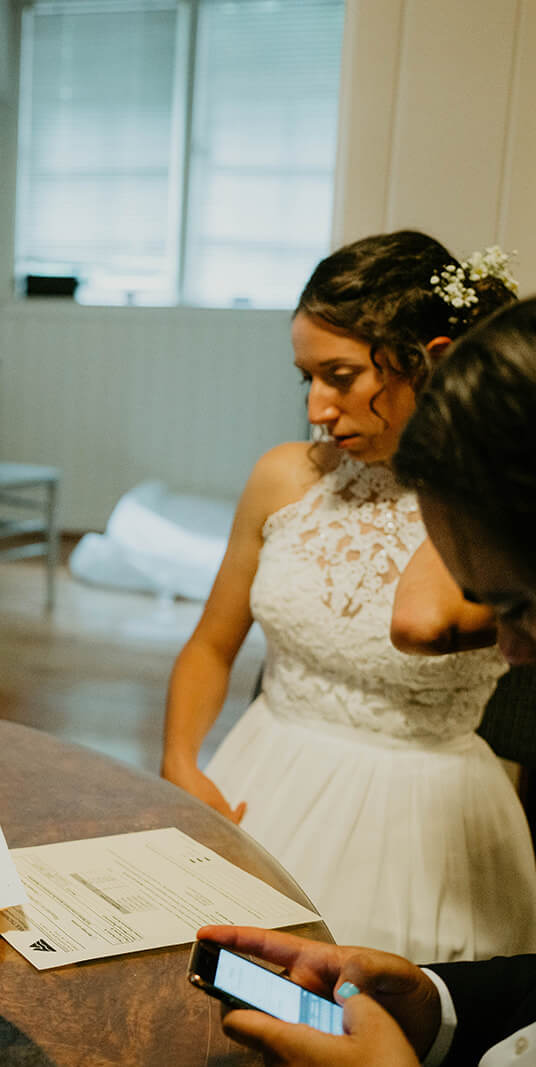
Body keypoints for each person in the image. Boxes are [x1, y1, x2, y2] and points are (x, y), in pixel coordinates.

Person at [159, 232, 533, 962]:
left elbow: (421, 620)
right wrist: (180, 762)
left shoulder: (493, 507)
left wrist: (452, 442)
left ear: (432, 358)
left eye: (340, 375)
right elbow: (210, 642)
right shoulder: (284, 476)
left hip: (419, 825)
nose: (319, 409)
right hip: (262, 776)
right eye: (308, 379)